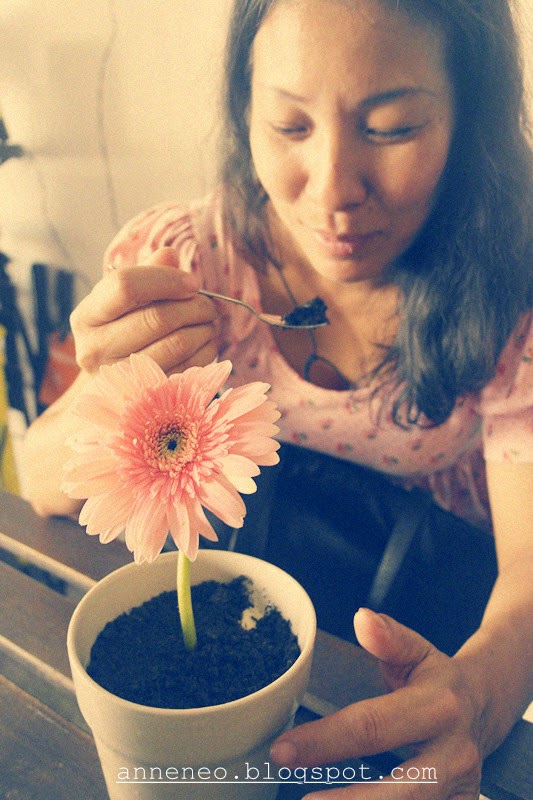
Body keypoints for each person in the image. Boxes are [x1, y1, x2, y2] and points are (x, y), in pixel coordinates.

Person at [24, 0, 532, 796]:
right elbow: (40, 479)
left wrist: (478, 699)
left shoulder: (509, 297)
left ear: (468, 119)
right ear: (244, 112)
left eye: (392, 128)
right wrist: (106, 384)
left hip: (422, 623)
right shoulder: (192, 266)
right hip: (248, 623)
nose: (332, 191)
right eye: (289, 126)